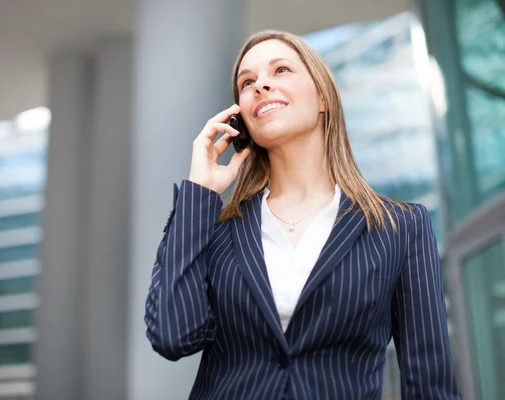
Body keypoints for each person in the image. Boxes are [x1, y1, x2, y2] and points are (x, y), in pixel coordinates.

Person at [144, 30, 460, 400]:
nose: (261, 85)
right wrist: (200, 193)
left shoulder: (400, 227)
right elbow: (171, 335)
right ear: (241, 118)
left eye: (280, 71)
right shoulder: (215, 231)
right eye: (247, 82)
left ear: (323, 97)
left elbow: (429, 382)